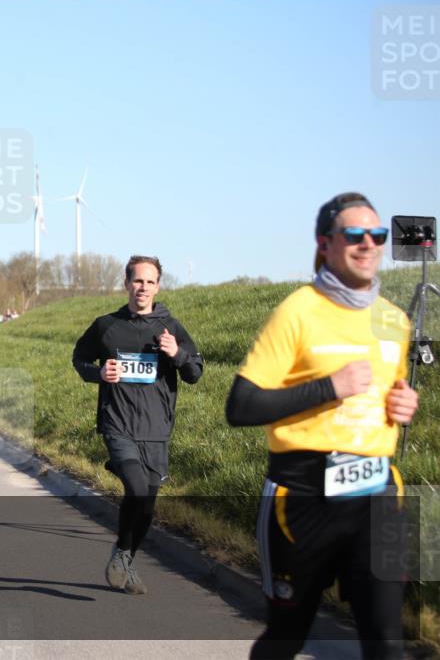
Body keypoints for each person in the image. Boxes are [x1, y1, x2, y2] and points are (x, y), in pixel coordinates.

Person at [225, 193, 418, 660]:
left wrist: (403, 404)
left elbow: (389, 390)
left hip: (378, 493)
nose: (368, 244)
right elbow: (241, 406)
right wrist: (329, 387)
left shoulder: (393, 319)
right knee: (286, 638)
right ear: (325, 244)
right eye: (355, 235)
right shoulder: (298, 311)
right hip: (304, 495)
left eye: (377, 235)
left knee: (388, 642)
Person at [72, 255, 204, 594]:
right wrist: (98, 373)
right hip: (118, 424)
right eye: (137, 280)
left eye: (150, 281)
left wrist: (177, 354)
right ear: (126, 284)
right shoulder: (106, 325)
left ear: (157, 287)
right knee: (137, 488)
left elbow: (194, 373)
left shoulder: (171, 327)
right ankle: (124, 556)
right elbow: (79, 358)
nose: (143, 287)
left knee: (147, 504)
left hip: (156, 429)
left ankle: (125, 556)